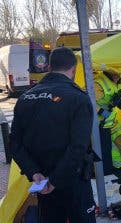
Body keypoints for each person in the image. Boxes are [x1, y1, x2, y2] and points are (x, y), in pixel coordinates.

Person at [10, 47, 96, 223]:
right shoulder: (78, 98)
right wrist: (55, 180)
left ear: (49, 67)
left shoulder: (25, 98)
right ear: (74, 69)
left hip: (41, 180)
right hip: (72, 181)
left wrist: (34, 172)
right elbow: (78, 147)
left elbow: (15, 144)